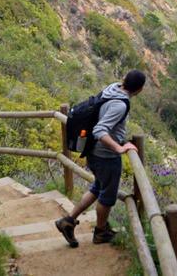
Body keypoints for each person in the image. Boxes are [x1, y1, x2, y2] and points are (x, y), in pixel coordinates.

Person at [55, 70, 146, 247]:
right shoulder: (120, 105)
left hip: (93, 152)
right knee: (107, 196)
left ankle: (68, 221)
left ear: (123, 80)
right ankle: (101, 232)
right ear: (140, 89)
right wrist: (119, 148)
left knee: (97, 187)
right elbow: (100, 130)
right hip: (105, 156)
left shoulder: (113, 89)